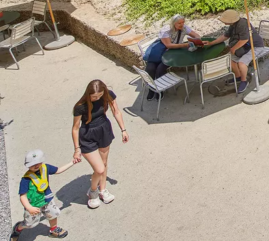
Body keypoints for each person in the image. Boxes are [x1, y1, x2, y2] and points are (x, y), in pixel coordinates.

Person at [71, 79, 128, 209]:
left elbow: (116, 111)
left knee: (104, 163)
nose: (97, 99)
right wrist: (77, 149)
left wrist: (123, 130)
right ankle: (93, 191)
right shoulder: (80, 106)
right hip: (87, 135)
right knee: (99, 168)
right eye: (94, 96)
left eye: (99, 95)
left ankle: (102, 190)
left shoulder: (107, 94)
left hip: (103, 130)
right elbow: (75, 128)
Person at [11, 149, 77, 239]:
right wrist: (29, 208)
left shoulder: (46, 168)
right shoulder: (25, 179)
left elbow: (58, 170)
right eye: (32, 164)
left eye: (38, 162)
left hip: (47, 199)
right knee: (30, 224)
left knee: (53, 214)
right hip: (33, 204)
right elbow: (23, 196)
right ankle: (18, 228)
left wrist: (72, 162)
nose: (36, 165)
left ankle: (53, 229)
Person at [142, 15, 203, 100]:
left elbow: (196, 35)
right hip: (160, 51)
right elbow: (168, 45)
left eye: (183, 22)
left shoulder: (184, 28)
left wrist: (197, 40)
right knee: (150, 69)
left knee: (160, 69)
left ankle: (159, 90)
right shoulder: (166, 30)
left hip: (172, 53)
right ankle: (151, 89)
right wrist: (185, 45)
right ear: (174, 23)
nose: (181, 24)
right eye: (179, 23)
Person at [205, 9, 265, 93]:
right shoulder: (233, 25)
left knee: (242, 63)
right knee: (230, 59)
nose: (224, 22)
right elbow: (225, 36)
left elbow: (244, 39)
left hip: (255, 46)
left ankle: (244, 81)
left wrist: (234, 48)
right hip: (243, 47)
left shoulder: (243, 24)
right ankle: (238, 77)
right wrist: (211, 43)